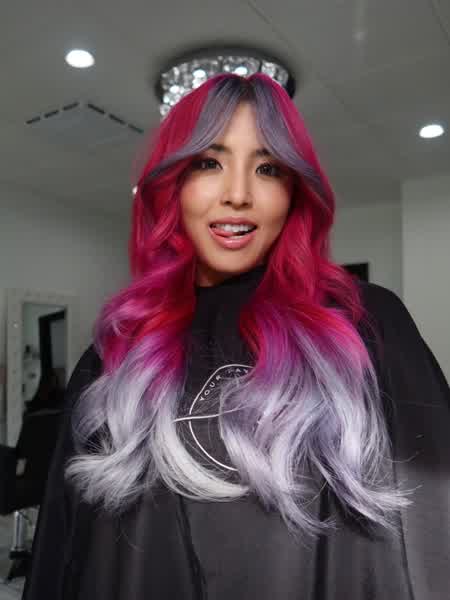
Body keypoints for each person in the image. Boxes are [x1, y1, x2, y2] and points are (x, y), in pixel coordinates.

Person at [22, 73, 449, 600]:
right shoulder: (114, 360)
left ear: (293, 192)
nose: (238, 195)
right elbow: (65, 552)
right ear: (174, 183)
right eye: (209, 163)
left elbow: (433, 530)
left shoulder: (365, 326)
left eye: (268, 168)